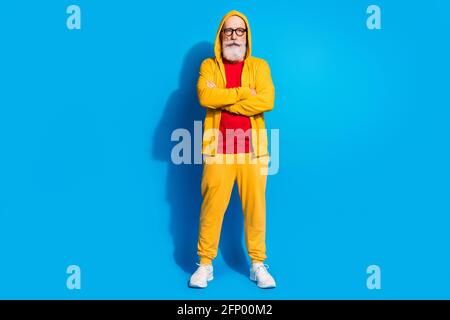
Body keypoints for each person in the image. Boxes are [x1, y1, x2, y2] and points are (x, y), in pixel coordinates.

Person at [189, 10, 276, 289]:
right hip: (218, 151)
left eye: (240, 31)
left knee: (255, 210)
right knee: (212, 208)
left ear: (247, 36)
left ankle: (258, 264)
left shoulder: (260, 67)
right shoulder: (209, 66)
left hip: (253, 151)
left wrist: (223, 98)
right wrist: (242, 92)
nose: (234, 37)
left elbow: (267, 101)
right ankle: (204, 264)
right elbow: (205, 95)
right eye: (229, 31)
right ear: (221, 35)